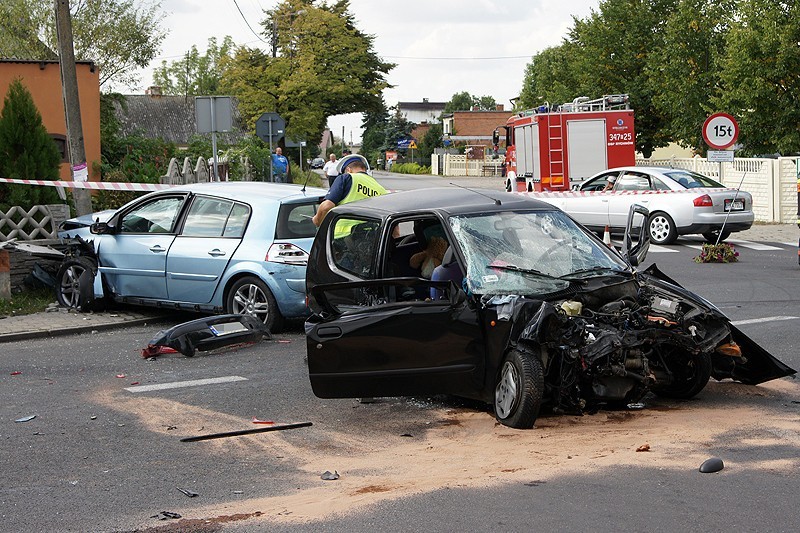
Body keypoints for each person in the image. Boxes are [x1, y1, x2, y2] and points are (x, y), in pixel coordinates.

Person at [312, 154, 386, 227]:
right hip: (373, 236)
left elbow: (326, 206)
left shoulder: (346, 178)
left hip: (344, 236)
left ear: (348, 170)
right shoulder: (381, 189)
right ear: (365, 169)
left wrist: (317, 220)